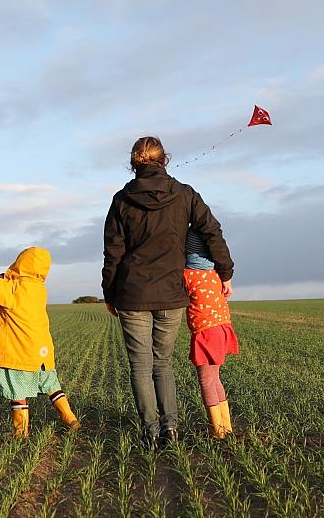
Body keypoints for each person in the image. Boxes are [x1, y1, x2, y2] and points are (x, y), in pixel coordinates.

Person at [102, 136, 234, 448]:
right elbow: (211, 231)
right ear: (165, 160)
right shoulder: (185, 194)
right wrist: (225, 272)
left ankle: (151, 432)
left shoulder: (121, 200)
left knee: (140, 366)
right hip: (172, 295)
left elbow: (113, 253)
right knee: (162, 363)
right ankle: (170, 429)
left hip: (132, 295)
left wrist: (109, 292)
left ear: (135, 163)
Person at [0, 247, 80, 438]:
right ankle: (70, 418)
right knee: (52, 387)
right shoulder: (39, 289)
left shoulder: (14, 289)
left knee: (18, 392)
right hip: (43, 352)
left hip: (20, 352)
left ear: (21, 263)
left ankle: (20, 432)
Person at [184, 229, 239, 438]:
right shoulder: (216, 274)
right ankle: (226, 427)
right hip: (221, 330)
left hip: (206, 334)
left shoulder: (188, 275)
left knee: (206, 381)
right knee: (215, 379)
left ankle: (218, 431)